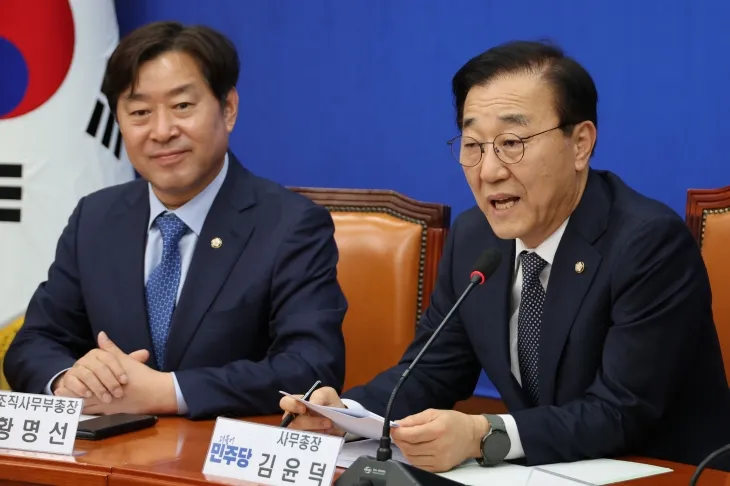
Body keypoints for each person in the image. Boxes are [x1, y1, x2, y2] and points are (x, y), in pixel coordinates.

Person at [280, 40, 730, 473]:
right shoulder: (475, 239)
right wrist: (345, 415)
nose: (490, 171)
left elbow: (620, 412)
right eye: (473, 146)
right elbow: (431, 372)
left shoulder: (648, 243)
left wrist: (484, 434)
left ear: (580, 144)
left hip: (664, 472)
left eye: (512, 143)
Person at [4, 21, 347, 419]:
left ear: (228, 108)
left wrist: (169, 392)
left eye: (182, 106)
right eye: (140, 112)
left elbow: (311, 366)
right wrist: (69, 380)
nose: (162, 131)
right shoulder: (95, 218)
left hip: (217, 451)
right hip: (110, 449)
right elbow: (33, 343)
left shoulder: (291, 225)